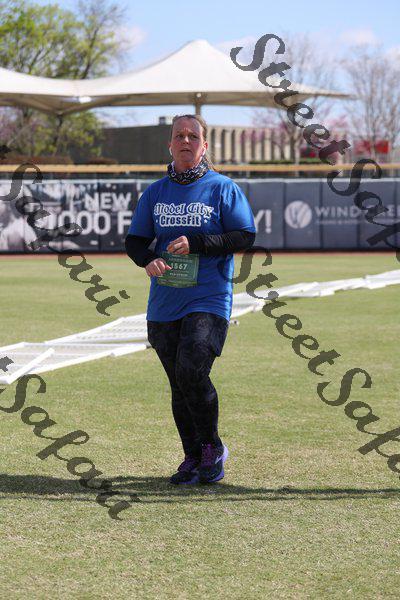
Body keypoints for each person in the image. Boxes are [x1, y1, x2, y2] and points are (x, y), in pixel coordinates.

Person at [125, 114, 256, 485]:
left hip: (208, 299)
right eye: (179, 135)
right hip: (164, 302)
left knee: (191, 370)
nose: (186, 141)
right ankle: (192, 456)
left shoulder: (222, 188)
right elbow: (135, 241)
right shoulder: (155, 193)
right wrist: (147, 259)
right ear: (170, 144)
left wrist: (198, 243)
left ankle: (212, 447)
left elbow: (244, 235)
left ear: (204, 145)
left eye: (193, 136)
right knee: (178, 383)